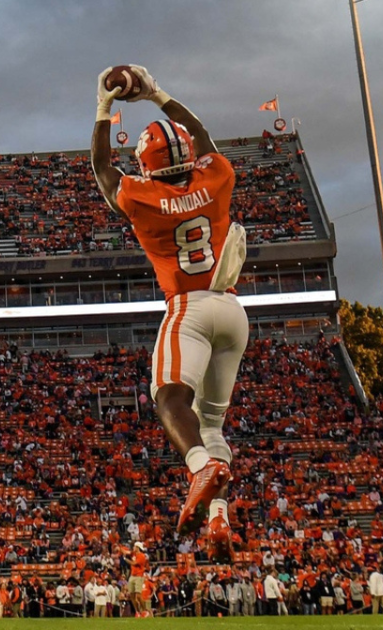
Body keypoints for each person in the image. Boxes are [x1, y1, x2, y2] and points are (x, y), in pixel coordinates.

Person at [90, 64, 248, 555]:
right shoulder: (217, 175)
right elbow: (200, 133)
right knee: (212, 424)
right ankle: (219, 517)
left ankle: (199, 467)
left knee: (168, 399)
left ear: (146, 164)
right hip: (233, 310)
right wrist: (157, 94)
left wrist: (103, 107)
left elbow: (102, 168)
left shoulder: (142, 195)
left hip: (188, 307)